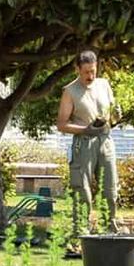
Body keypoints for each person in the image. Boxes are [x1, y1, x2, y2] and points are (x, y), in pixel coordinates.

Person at [56, 50, 120, 234]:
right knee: (82, 189)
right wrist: (85, 129)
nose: (90, 76)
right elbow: (61, 124)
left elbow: (111, 111)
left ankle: (110, 230)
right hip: (84, 142)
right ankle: (80, 233)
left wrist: (115, 116)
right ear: (77, 69)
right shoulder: (70, 91)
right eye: (86, 72)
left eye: (93, 71)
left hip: (105, 141)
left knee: (110, 189)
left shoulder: (104, 85)